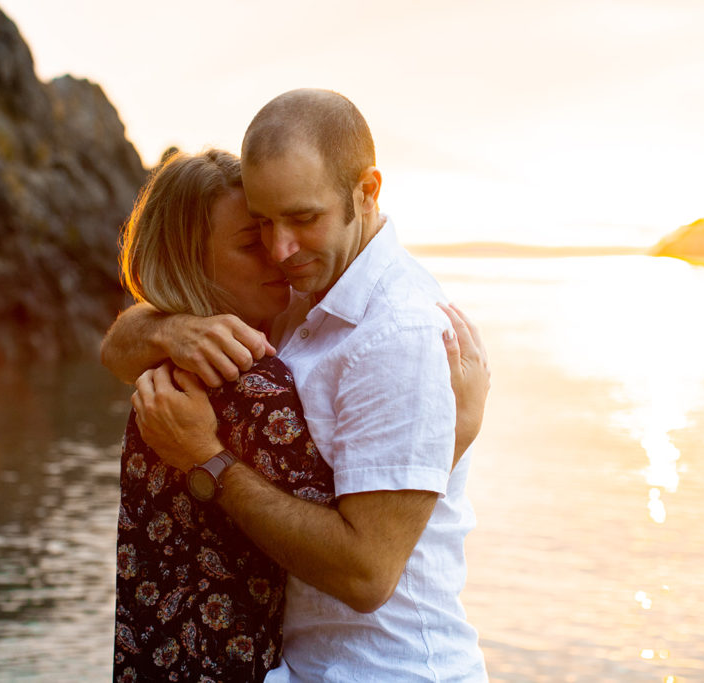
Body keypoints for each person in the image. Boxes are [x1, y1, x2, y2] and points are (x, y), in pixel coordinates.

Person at [107, 145, 489, 681]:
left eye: (295, 220)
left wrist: (169, 330)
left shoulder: (279, 324)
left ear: (366, 192)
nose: (278, 251)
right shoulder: (240, 375)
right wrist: (452, 439)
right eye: (256, 234)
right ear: (191, 260)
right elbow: (360, 557)